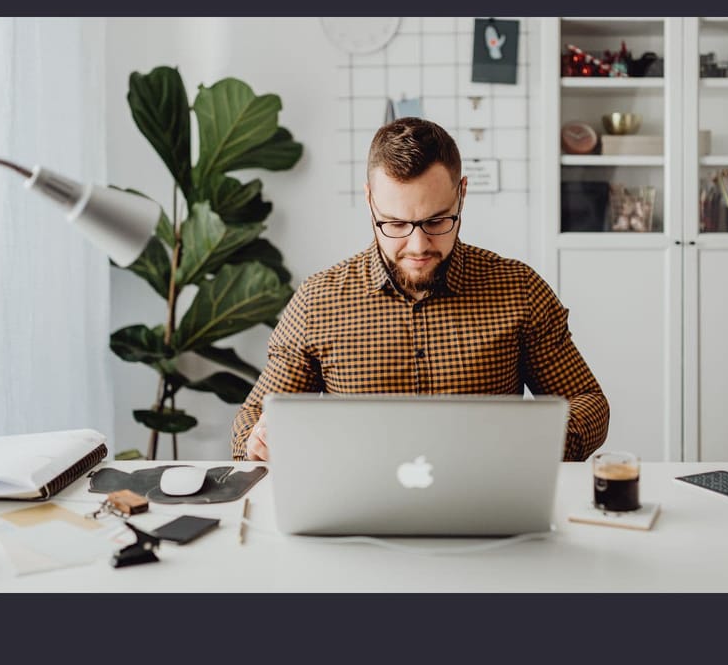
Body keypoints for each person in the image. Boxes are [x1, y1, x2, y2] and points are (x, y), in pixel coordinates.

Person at [231, 117, 608, 461]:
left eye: (437, 221)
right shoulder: (319, 301)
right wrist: (257, 441)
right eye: (394, 224)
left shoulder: (519, 289)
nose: (417, 246)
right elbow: (254, 417)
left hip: (486, 504)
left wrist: (535, 444)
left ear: (461, 193)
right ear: (369, 201)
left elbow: (589, 403)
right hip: (356, 513)